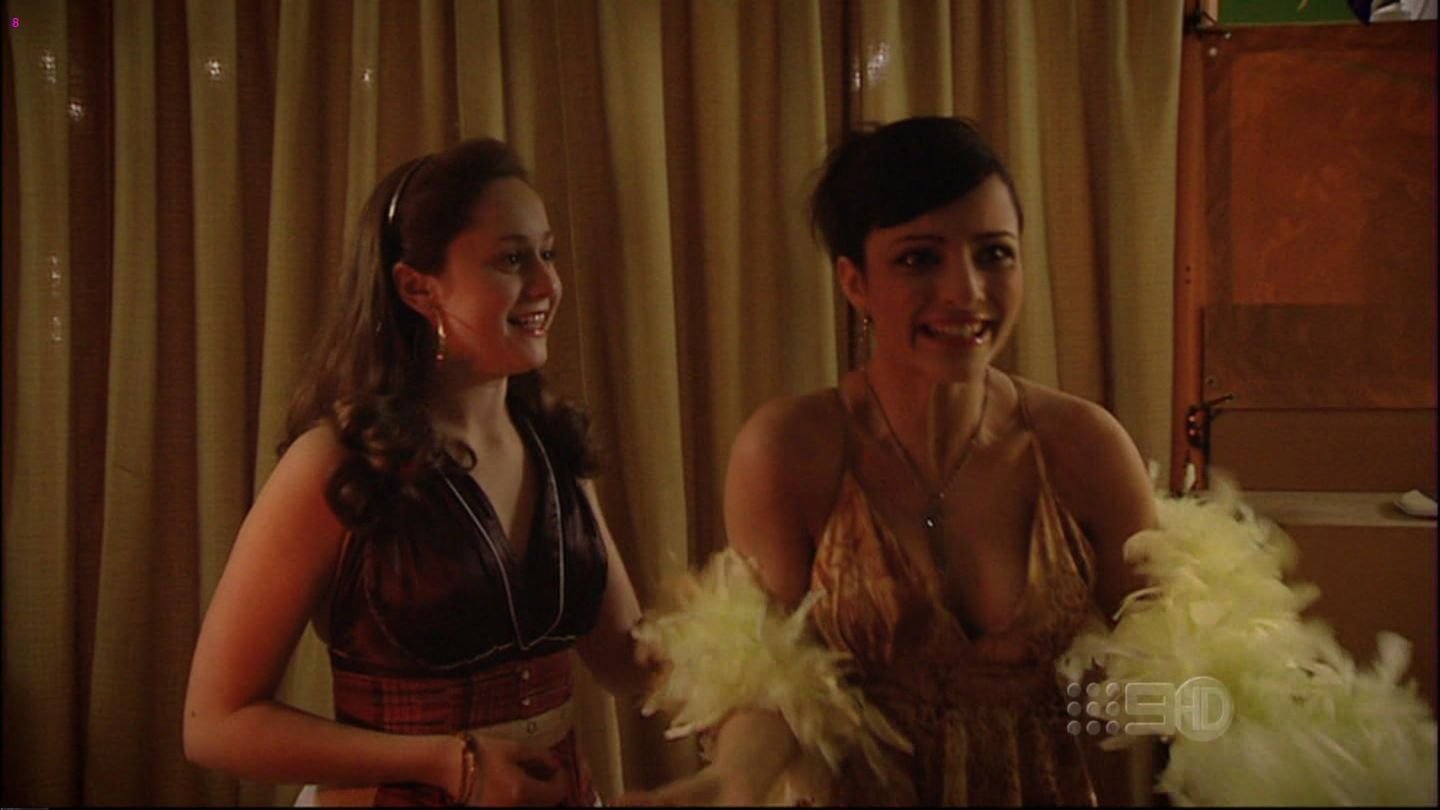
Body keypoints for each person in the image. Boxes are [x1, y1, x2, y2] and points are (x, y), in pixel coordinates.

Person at [622, 116, 1157, 806]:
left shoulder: (1084, 445)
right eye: (919, 259)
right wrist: (731, 781)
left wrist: (1249, 730)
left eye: (995, 253)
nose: (966, 291)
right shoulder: (791, 449)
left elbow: (1169, 671)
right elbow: (776, 682)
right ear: (855, 283)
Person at [184, 138, 650, 806]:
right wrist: (449, 765)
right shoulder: (337, 463)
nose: (547, 285)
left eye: (547, 254)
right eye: (512, 259)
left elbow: (628, 661)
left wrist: (765, 656)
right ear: (416, 287)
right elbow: (214, 724)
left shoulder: (554, 446)